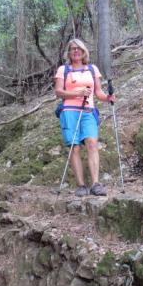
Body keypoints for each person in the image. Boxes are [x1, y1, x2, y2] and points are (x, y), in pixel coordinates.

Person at [54, 38, 115, 197]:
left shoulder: (93, 69)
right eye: (73, 49)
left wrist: (108, 98)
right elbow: (58, 92)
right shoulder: (63, 70)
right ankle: (81, 185)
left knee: (92, 143)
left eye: (78, 48)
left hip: (88, 110)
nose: (76, 51)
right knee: (74, 147)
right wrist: (77, 93)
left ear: (83, 51)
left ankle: (96, 184)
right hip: (69, 111)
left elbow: (98, 92)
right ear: (69, 52)